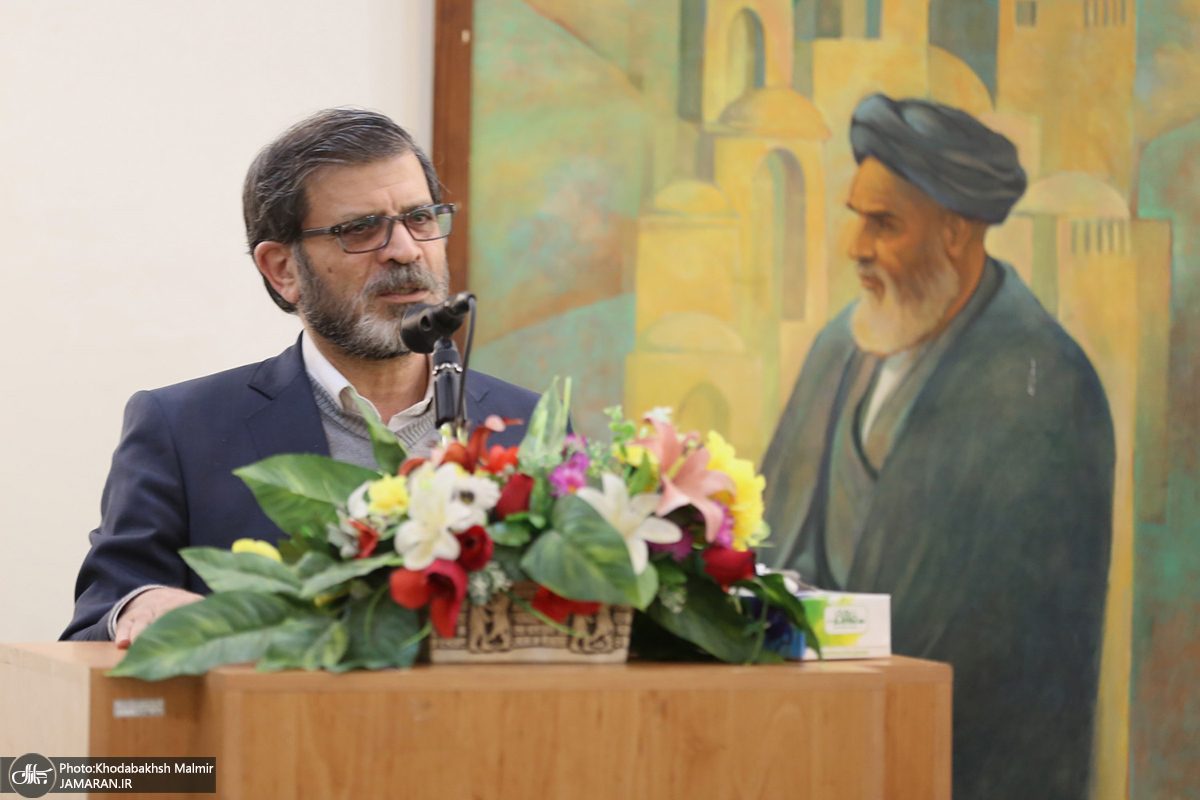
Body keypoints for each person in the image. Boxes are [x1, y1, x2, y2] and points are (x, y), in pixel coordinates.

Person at [63, 109, 541, 646]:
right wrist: (139, 607)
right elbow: (94, 629)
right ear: (282, 269)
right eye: (360, 229)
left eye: (420, 218)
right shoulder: (182, 430)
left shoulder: (530, 425)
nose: (406, 250)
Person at [761, 95, 1114, 799]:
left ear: (955, 231)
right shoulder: (838, 348)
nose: (856, 246)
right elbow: (769, 542)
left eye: (884, 224)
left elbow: (983, 643)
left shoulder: (1043, 384)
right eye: (857, 217)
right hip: (819, 749)